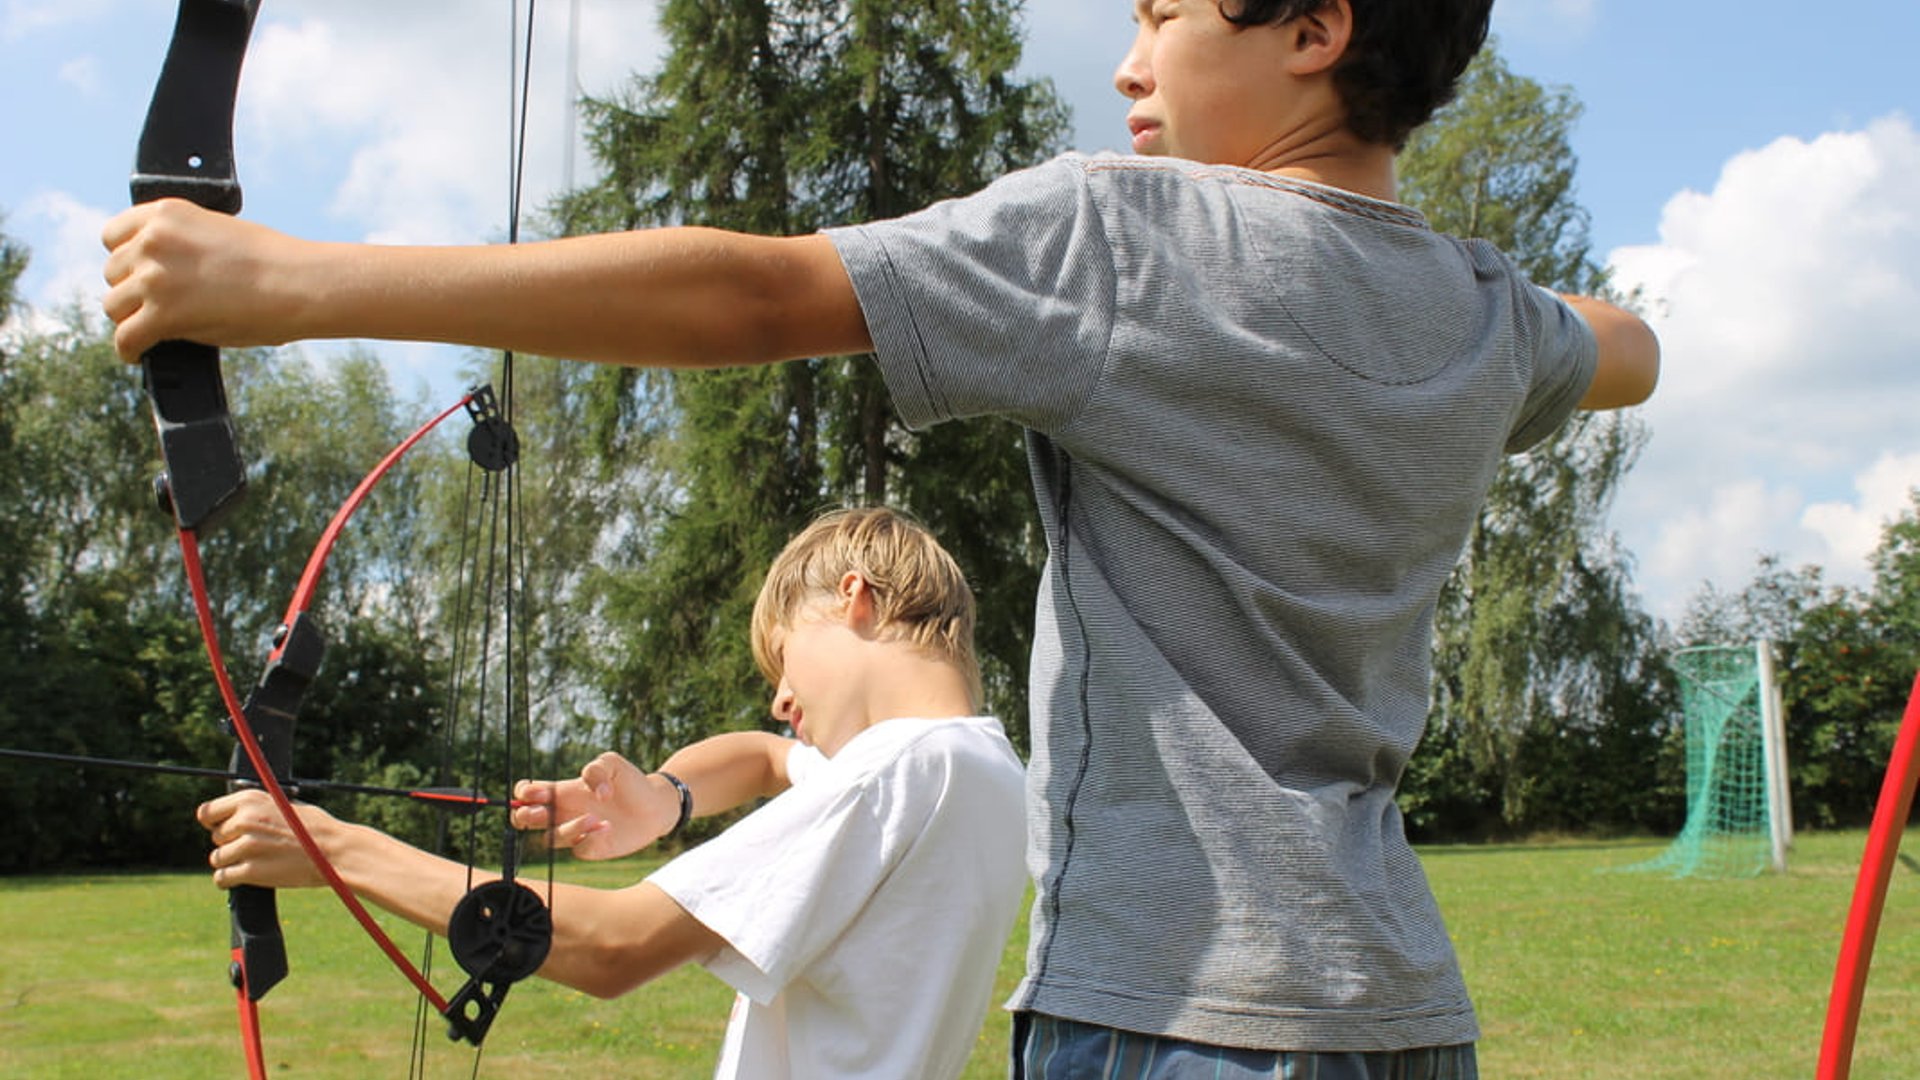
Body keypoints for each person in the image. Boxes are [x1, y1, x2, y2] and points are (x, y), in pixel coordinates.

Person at [118, 0, 1662, 1075]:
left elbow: (759, 295)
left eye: (1165, 17)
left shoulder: (1132, 231)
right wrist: (663, 791)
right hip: (1405, 1015)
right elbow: (1631, 346)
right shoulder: (1484, 319)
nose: (1127, 68)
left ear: (1317, 30)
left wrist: (280, 284)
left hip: (1179, 1013)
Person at [196, 507, 1028, 1080]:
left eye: (783, 660)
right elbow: (770, 759)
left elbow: (612, 948)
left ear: (855, 598)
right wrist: (665, 796)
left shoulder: (899, 771)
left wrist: (330, 848)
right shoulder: (981, 769)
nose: (780, 699)